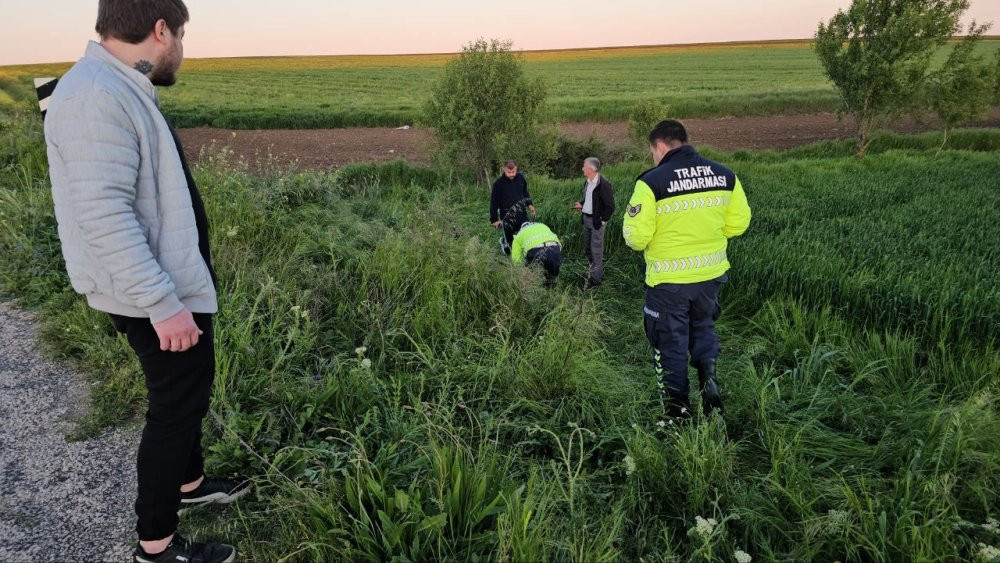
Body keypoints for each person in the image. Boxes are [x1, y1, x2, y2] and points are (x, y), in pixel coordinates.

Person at [43, 2, 246, 561]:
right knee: (175, 406)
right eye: (181, 35)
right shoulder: (95, 96)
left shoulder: (112, 85)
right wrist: (162, 302)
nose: (181, 48)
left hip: (163, 281)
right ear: (160, 30)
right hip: (148, 291)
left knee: (190, 389)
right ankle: (156, 546)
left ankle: (190, 485)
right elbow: (103, 215)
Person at [622, 120, 751, 420]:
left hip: (669, 281)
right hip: (710, 277)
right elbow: (739, 223)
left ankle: (678, 414)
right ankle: (709, 384)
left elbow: (636, 238)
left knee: (671, 344)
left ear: (661, 146)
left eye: (653, 151)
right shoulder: (725, 175)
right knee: (703, 327)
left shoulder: (651, 182)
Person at [573, 157, 615, 288]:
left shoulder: (603, 184)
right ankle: (593, 271)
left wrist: (602, 221)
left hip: (596, 222)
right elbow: (589, 200)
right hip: (586, 219)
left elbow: (610, 206)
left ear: (591, 169)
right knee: (588, 249)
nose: (582, 168)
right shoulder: (587, 182)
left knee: (596, 251)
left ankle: (595, 282)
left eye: (584, 166)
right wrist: (582, 204)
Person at [490, 160, 536, 255]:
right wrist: (494, 219)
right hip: (507, 215)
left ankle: (526, 252)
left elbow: (525, 193)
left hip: (521, 213)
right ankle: (504, 241)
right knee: (510, 248)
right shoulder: (498, 184)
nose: (511, 174)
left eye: (513, 172)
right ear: (504, 170)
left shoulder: (521, 178)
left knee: (526, 233)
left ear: (516, 169)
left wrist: (529, 204)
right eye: (509, 172)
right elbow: (494, 202)